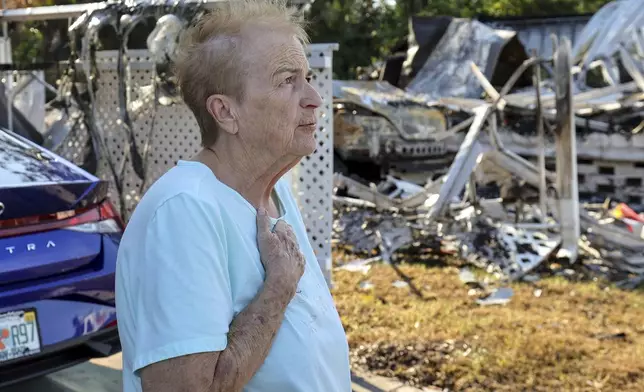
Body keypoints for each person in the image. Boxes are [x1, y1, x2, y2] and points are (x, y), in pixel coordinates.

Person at [114, 0, 352, 391]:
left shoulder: (272, 193)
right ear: (225, 112)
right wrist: (277, 290)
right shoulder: (185, 210)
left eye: (307, 77)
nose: (314, 98)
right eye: (287, 80)